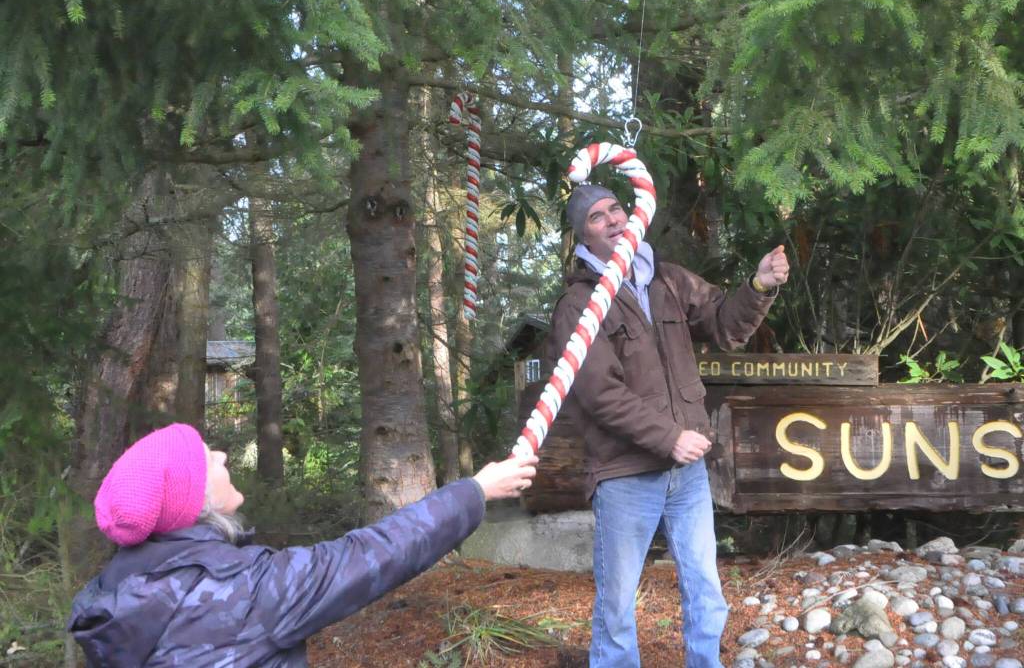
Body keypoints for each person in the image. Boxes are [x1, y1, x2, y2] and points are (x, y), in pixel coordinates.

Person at [548, 184, 789, 667]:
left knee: (705, 584)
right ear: (582, 236)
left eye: (617, 208)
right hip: (624, 473)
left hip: (687, 472)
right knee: (617, 601)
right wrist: (669, 437)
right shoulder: (578, 305)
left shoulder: (667, 279)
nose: (614, 220)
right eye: (598, 217)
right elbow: (599, 394)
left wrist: (759, 285)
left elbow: (724, 325)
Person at [68, 423, 538, 667]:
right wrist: (476, 491)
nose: (221, 455)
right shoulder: (243, 593)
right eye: (205, 457)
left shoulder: (120, 589)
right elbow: (373, 553)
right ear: (194, 501)